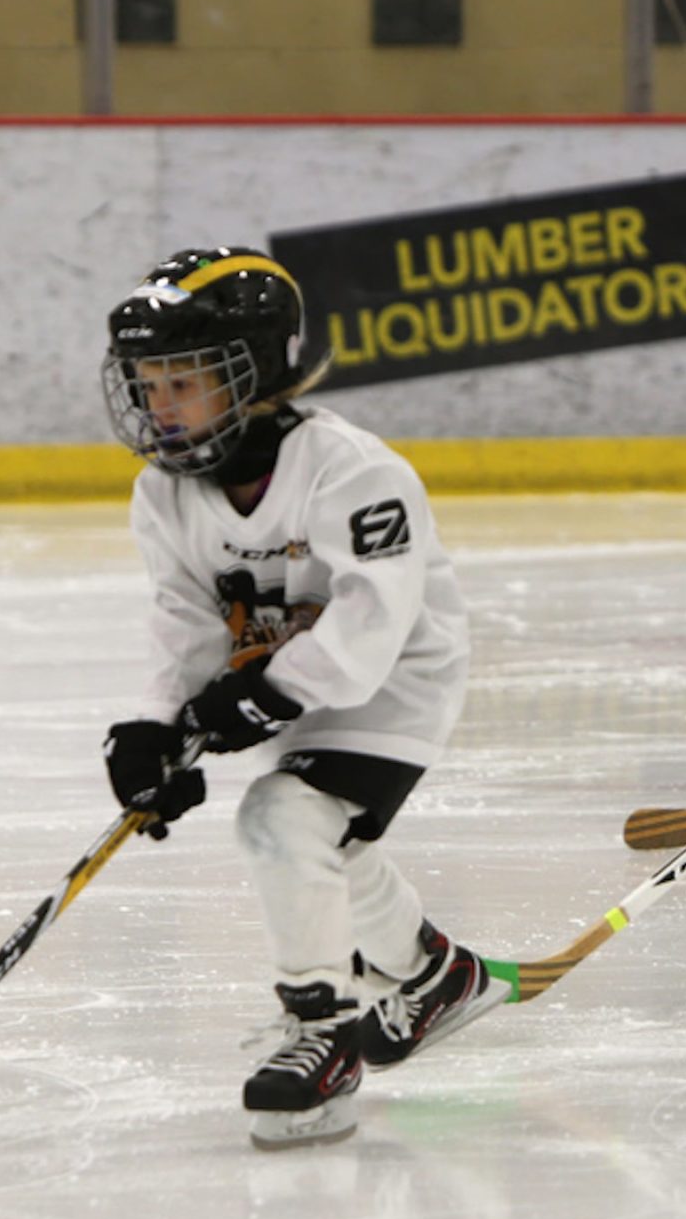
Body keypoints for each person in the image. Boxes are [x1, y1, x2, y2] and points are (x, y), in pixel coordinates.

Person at [97, 246, 503, 1150]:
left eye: (183, 382)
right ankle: (431, 977)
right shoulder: (163, 493)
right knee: (322, 841)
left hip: (395, 680)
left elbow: (368, 630)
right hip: (291, 679)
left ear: (258, 372)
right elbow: (184, 626)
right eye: (147, 383)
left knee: (281, 818)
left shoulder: (352, 472)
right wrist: (154, 730)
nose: (158, 406)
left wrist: (258, 698)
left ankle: (324, 1028)